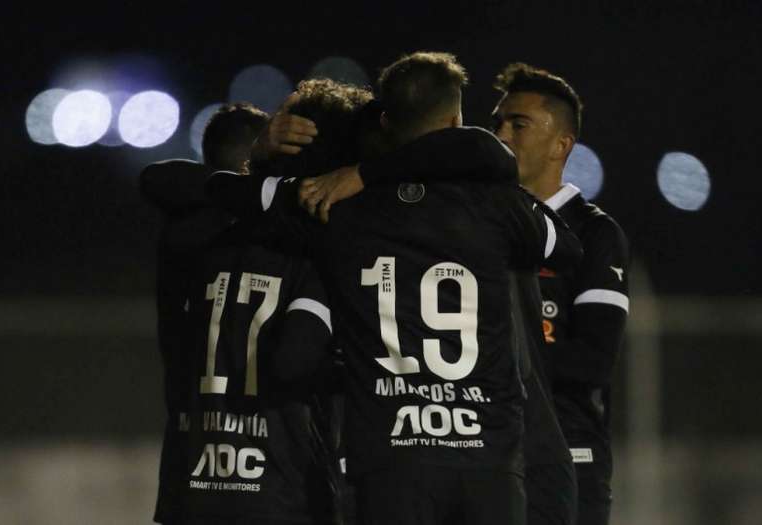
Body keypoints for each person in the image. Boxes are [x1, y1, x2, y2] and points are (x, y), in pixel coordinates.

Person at [208, 53, 582, 525]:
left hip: (392, 461)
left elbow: (221, 192)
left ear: (386, 123)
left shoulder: (337, 208)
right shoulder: (496, 206)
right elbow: (565, 246)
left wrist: (264, 155)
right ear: (456, 121)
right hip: (489, 460)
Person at [492, 62, 630, 525]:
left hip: (571, 456)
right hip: (490, 455)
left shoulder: (594, 234)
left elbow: (593, 360)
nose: (502, 134)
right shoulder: (483, 224)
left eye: (519, 123)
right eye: (498, 122)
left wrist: (488, 365)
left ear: (561, 144)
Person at [140, 102, 268, 525]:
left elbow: (157, 177)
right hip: (265, 457)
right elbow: (156, 177)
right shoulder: (262, 227)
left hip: (190, 449)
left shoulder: (182, 223)